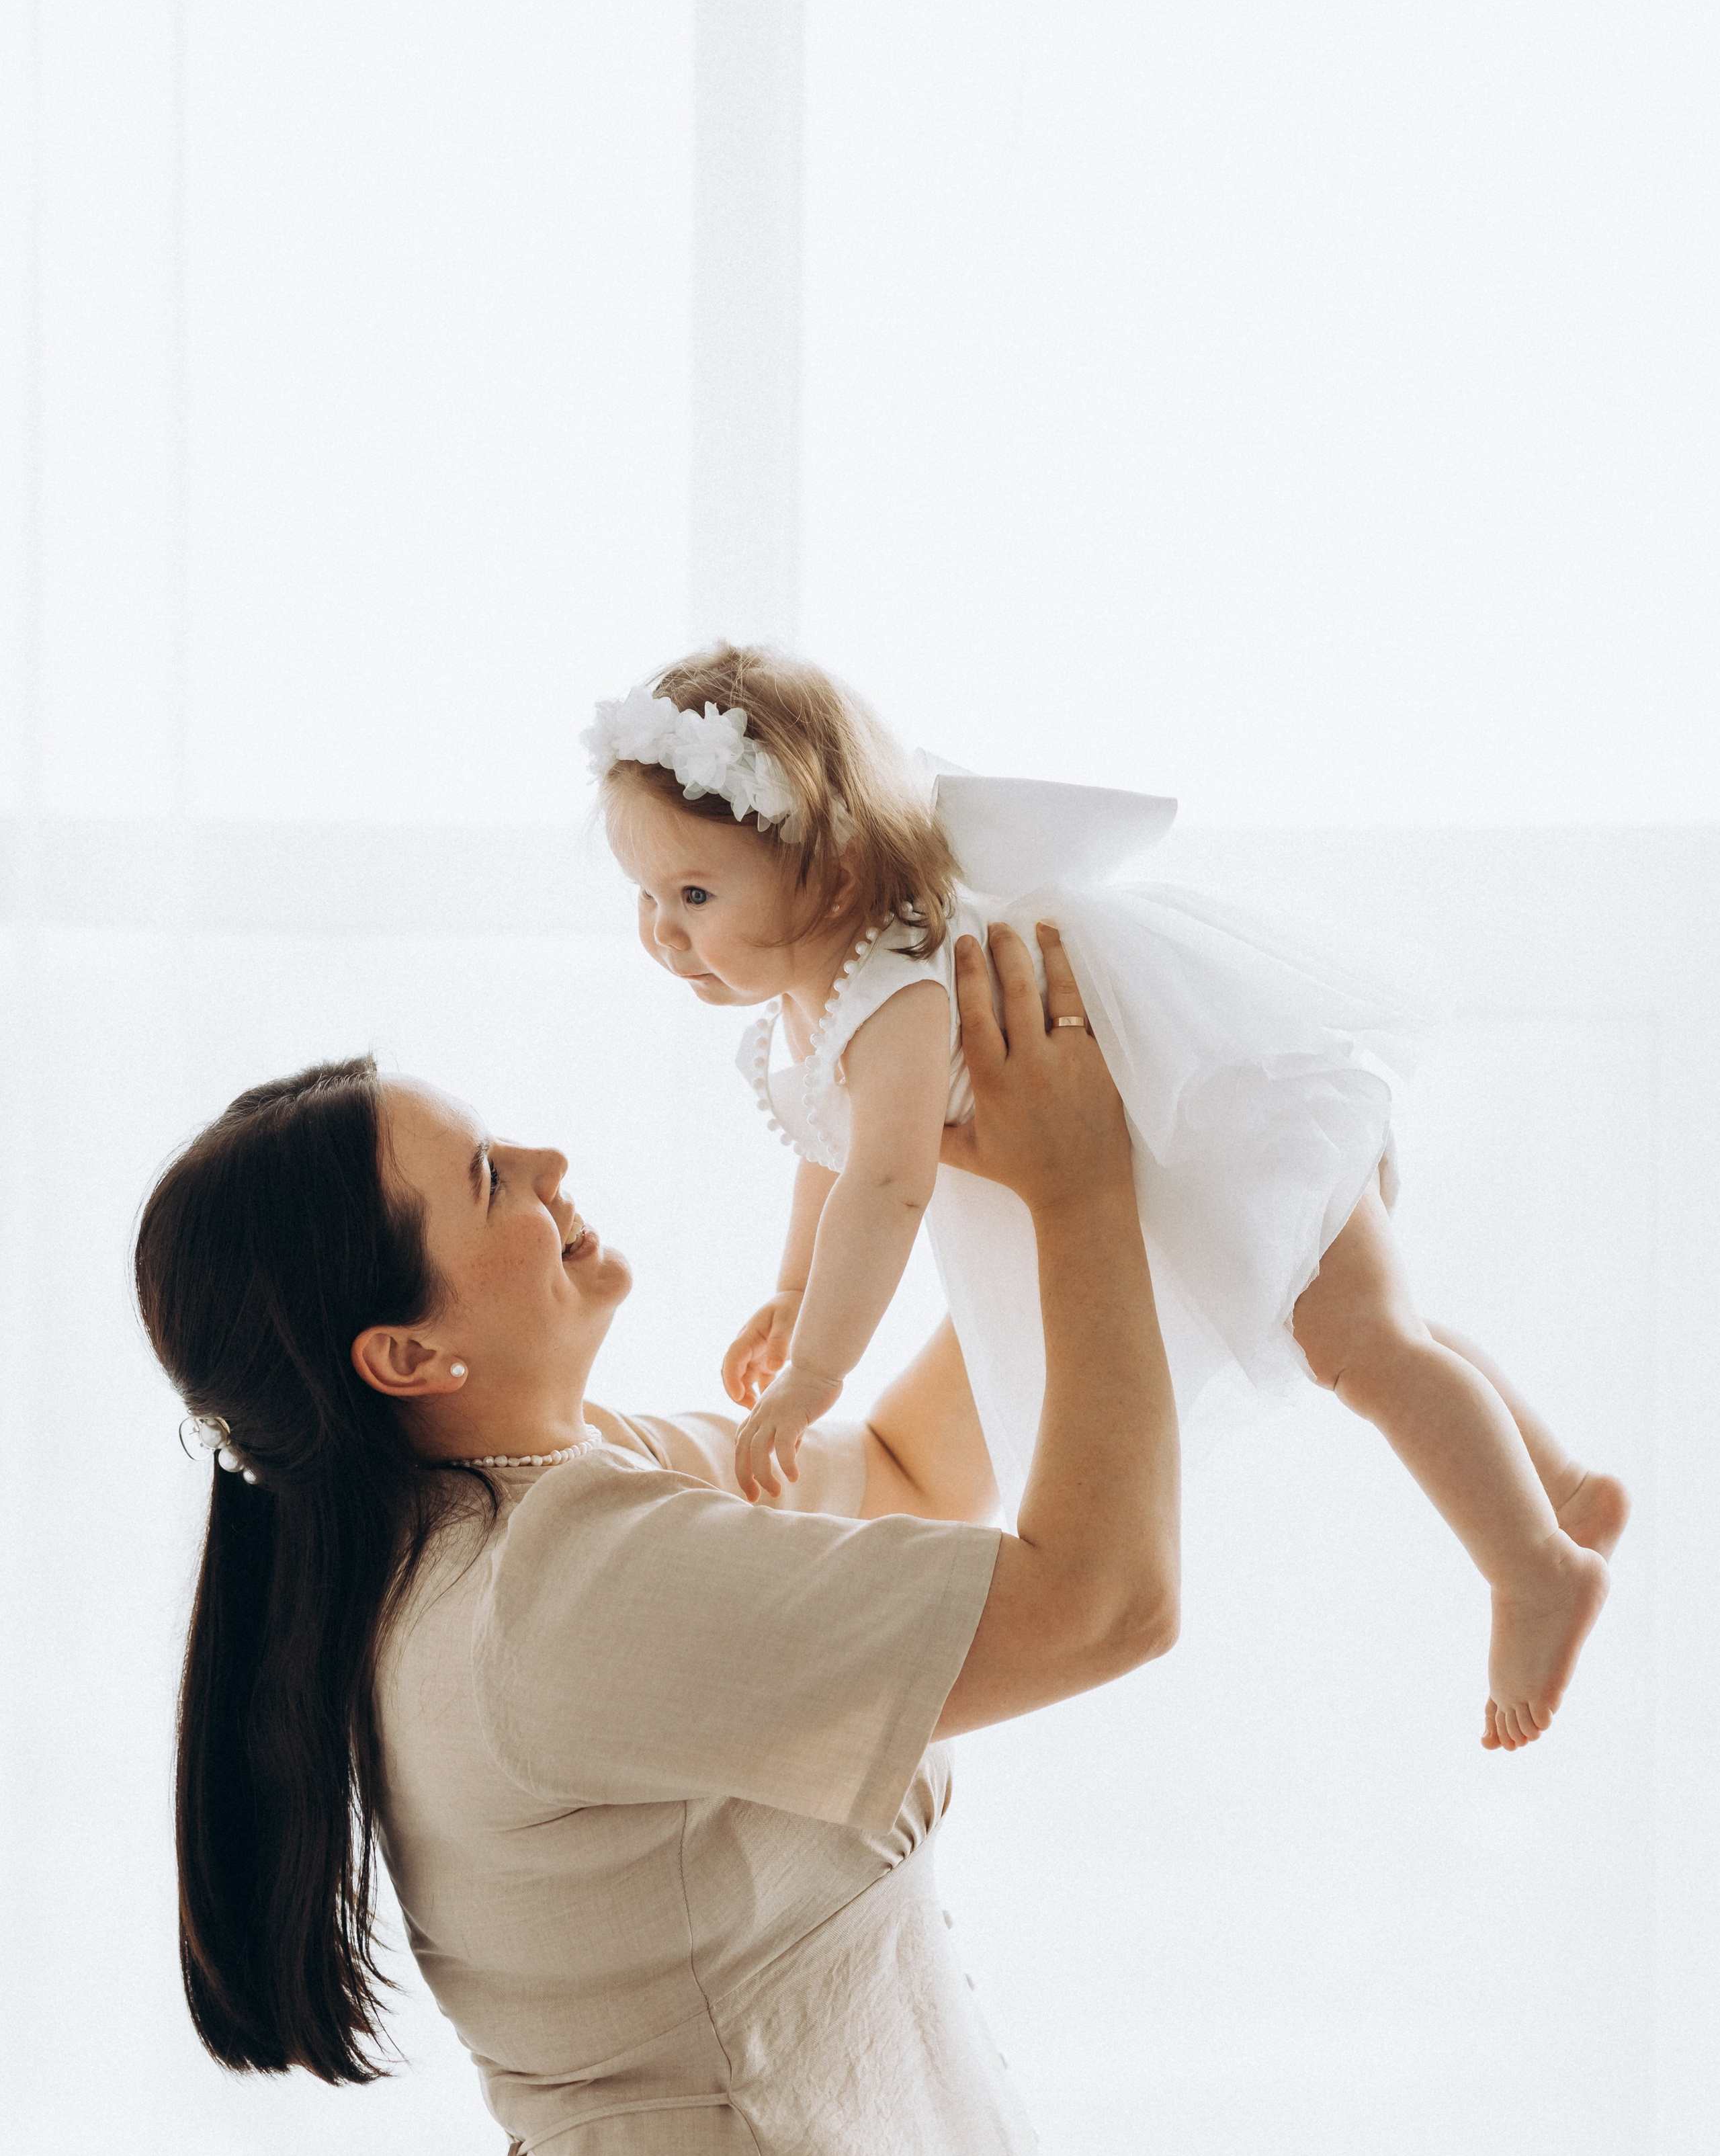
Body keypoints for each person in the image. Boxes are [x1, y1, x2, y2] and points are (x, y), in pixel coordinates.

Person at [134, 923, 1179, 2156]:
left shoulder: (552, 1498)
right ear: (406, 1356)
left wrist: (1116, 1187)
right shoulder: (556, 1590)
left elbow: (901, 1473)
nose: (548, 1159)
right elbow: (1098, 1607)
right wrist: (1081, 1196)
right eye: (487, 1176)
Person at [587, 642, 1628, 1753]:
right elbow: (832, 1156)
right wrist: (795, 1291)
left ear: (834, 878)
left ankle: (1536, 1567)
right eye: (648, 897)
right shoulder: (814, 999)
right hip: (1161, 1171)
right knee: (1373, 1335)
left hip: (1211, 1139)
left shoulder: (890, 999)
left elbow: (886, 1193)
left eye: (695, 895)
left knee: (1367, 1345)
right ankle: (1559, 1488)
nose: (664, 932)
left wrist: (815, 1374)